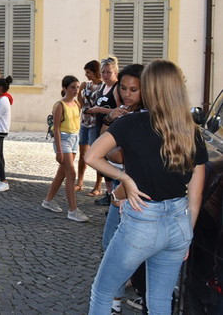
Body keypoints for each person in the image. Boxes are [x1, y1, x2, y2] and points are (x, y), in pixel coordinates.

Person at [85, 60, 207, 314]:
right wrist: (187, 236)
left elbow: (91, 156)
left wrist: (126, 179)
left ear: (150, 88)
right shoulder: (191, 131)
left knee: (103, 292)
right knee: (160, 301)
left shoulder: (132, 124)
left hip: (142, 221)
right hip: (179, 224)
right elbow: (195, 194)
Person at [98, 63, 145, 314]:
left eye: (133, 89)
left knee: (113, 244)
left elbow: (111, 154)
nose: (126, 94)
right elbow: (105, 146)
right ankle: (123, 295)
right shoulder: (124, 112)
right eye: (123, 88)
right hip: (124, 185)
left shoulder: (139, 117)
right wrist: (109, 117)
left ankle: (114, 301)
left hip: (131, 189)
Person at [42, 75, 89, 222]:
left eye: (76, 87)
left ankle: (48, 201)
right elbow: (55, 128)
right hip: (63, 139)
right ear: (64, 88)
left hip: (75, 138)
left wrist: (81, 91)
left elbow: (83, 108)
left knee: (62, 173)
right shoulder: (59, 105)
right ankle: (73, 210)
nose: (75, 90)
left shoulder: (77, 103)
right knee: (71, 174)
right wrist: (59, 150)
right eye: (72, 87)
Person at [87, 56, 120, 205]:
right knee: (102, 160)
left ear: (115, 72)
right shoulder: (102, 87)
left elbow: (121, 110)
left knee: (110, 161)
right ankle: (108, 192)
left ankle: (114, 193)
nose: (105, 75)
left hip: (111, 130)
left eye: (109, 72)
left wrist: (99, 110)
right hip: (99, 126)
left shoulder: (117, 88)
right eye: (104, 72)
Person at [76, 60, 103, 191]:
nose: (86, 75)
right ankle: (79, 181)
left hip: (95, 124)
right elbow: (81, 104)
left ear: (95, 72)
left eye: (88, 72)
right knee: (82, 154)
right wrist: (79, 91)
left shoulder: (103, 87)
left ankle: (98, 185)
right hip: (84, 122)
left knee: (96, 155)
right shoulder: (86, 85)